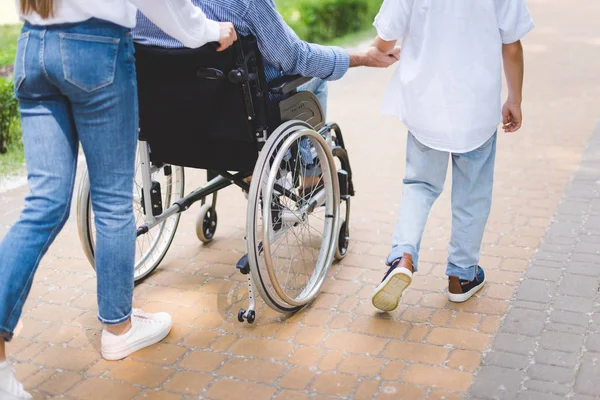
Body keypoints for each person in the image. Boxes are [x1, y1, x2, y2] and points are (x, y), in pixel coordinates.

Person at [0, 1, 237, 398]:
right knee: (112, 202)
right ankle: (118, 329)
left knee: (43, 204)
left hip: (33, 47)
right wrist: (211, 32)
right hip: (96, 49)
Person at [370, 0, 534, 311]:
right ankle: (462, 276)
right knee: (472, 195)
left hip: (425, 106)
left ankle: (402, 257)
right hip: (476, 109)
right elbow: (512, 46)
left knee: (419, 185)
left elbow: (385, 39)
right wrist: (515, 98)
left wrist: (376, 51)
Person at [133, 0, 402, 118]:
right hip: (238, 116)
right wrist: (362, 56)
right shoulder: (245, 2)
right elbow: (294, 57)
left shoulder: (138, 6)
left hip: (168, 117)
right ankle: (309, 172)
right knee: (315, 79)